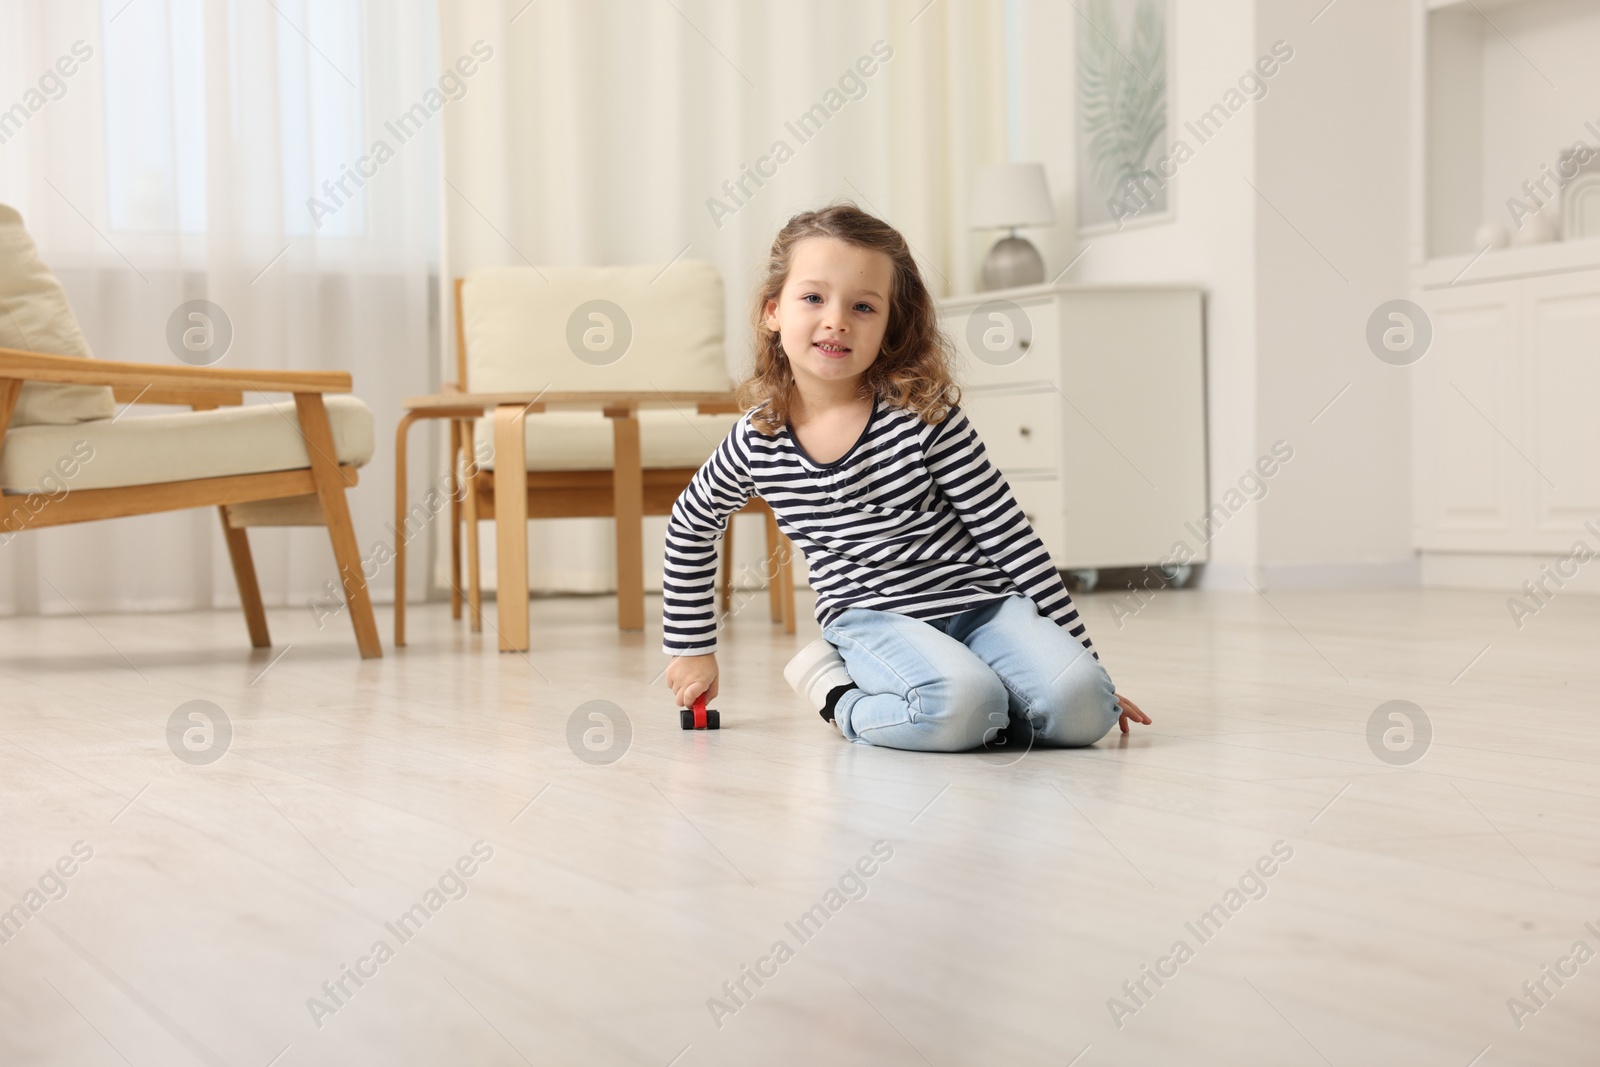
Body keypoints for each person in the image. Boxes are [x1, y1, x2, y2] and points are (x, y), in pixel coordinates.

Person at [661, 202, 1149, 751]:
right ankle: (838, 695)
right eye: (813, 297)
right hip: (871, 621)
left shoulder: (925, 415)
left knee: (1085, 712)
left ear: (890, 325)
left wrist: (1083, 665)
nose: (837, 319)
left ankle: (987, 702)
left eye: (864, 306)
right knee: (962, 708)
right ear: (773, 311)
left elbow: (1010, 539)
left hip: (981, 604)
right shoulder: (757, 439)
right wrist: (691, 646)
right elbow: (690, 523)